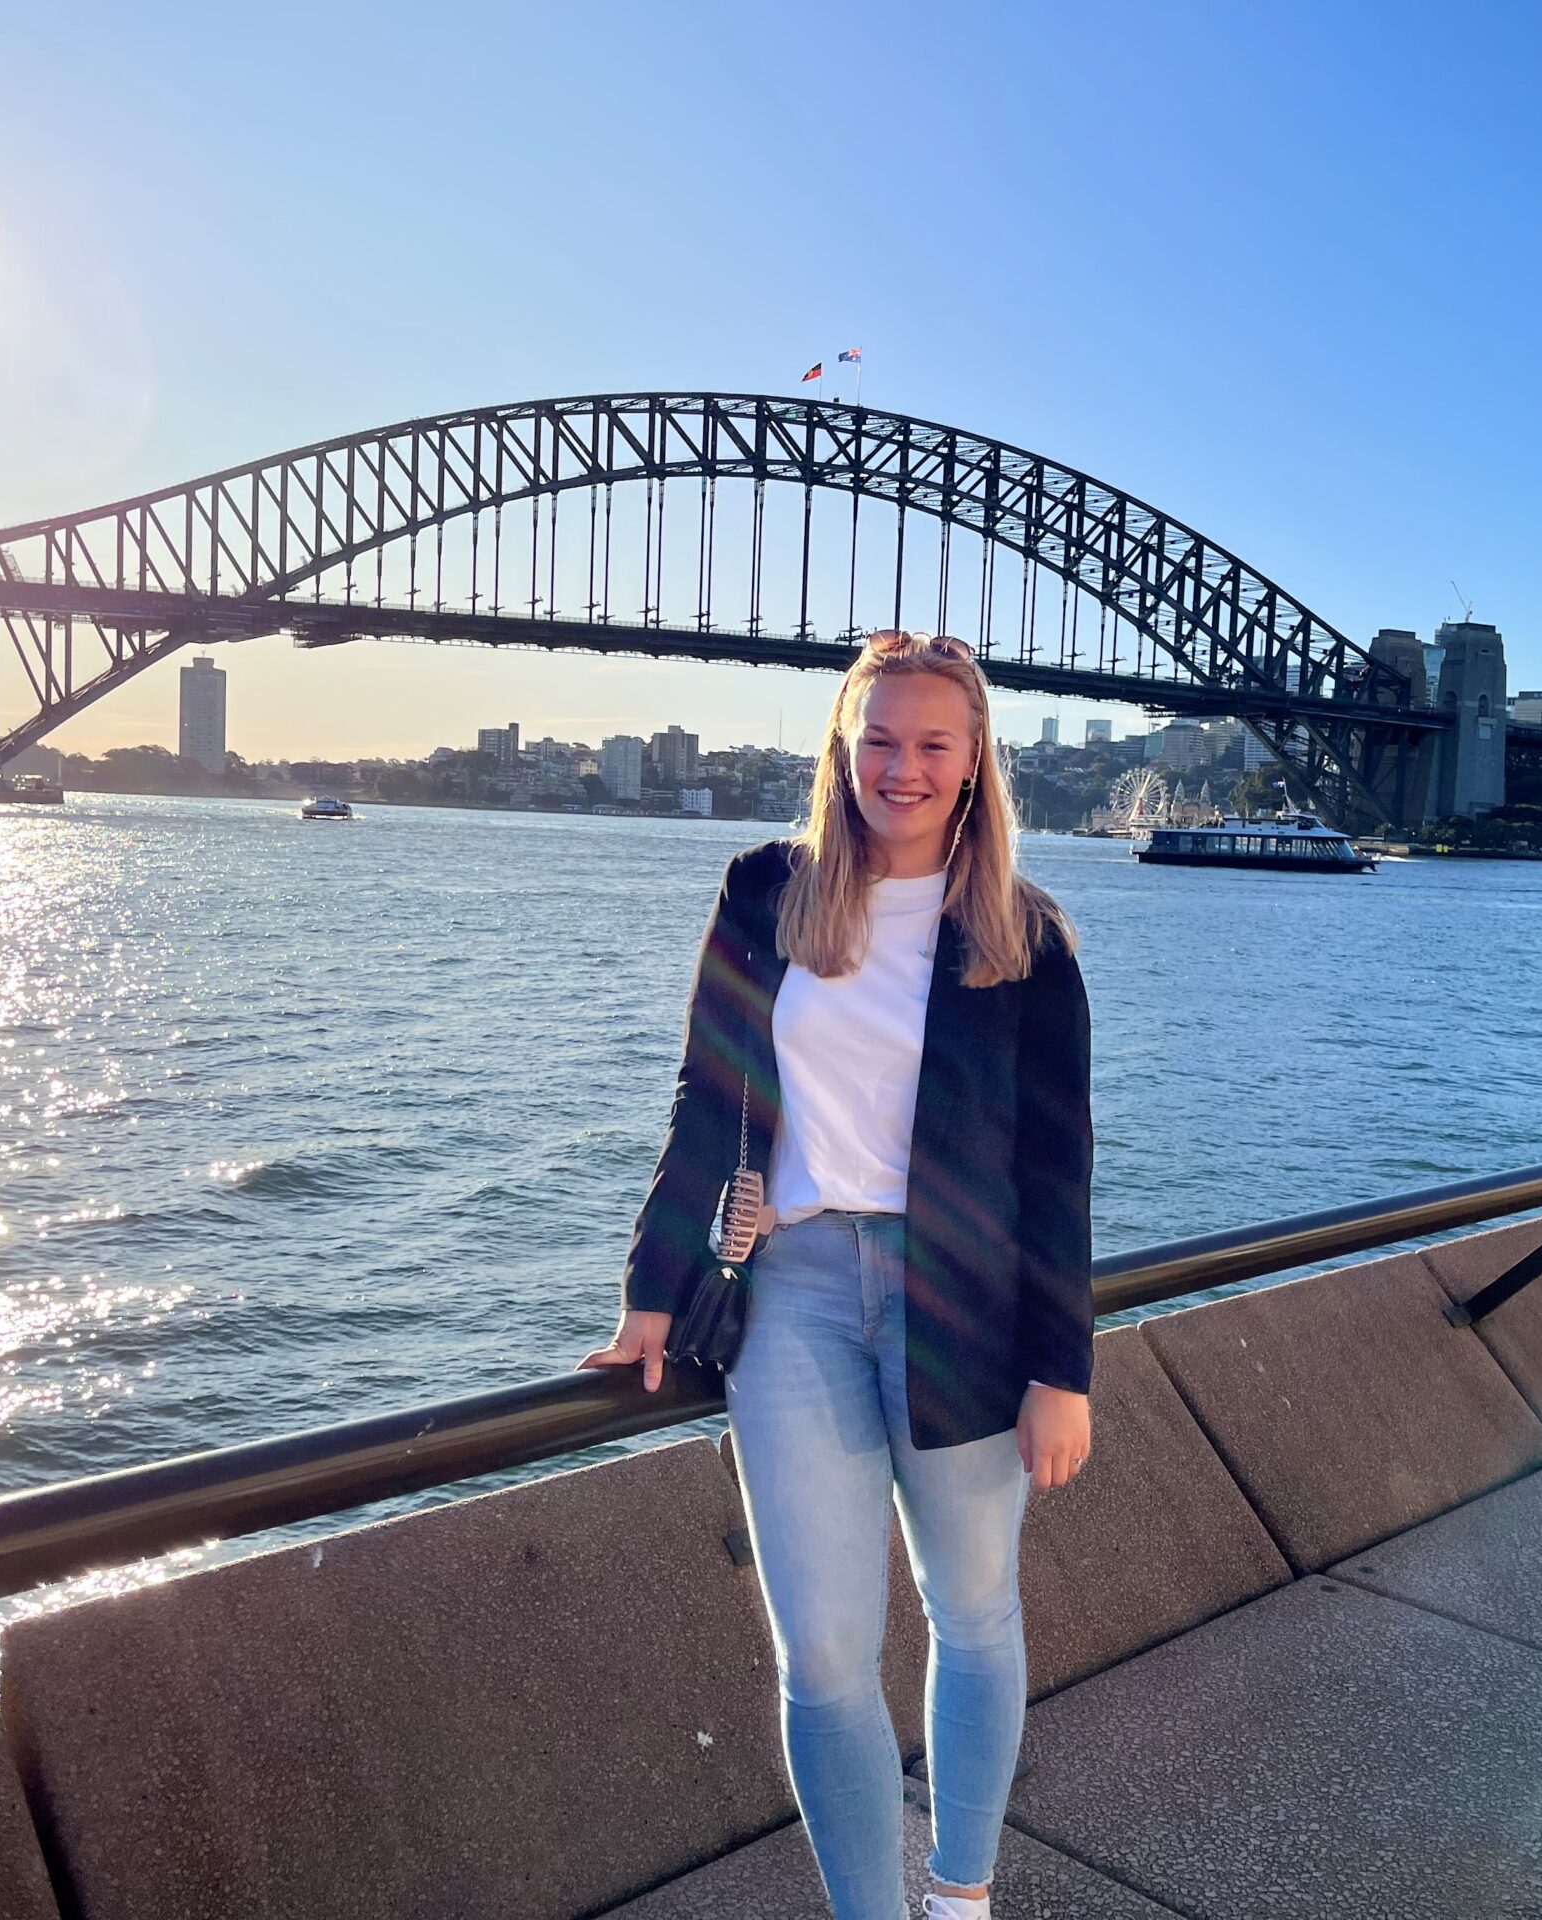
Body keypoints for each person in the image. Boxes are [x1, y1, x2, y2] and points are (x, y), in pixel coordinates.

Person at [580, 629, 1095, 1920]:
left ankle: (961, 1898)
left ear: (973, 763)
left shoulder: (1026, 938)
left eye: (932, 744)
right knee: (819, 1653)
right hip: (796, 1290)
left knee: (971, 1609)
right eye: (879, 740)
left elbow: (1056, 1171)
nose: (901, 768)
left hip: (963, 1302)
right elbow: (706, 1096)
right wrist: (651, 1291)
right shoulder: (767, 891)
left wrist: (1062, 1369)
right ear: (842, 748)